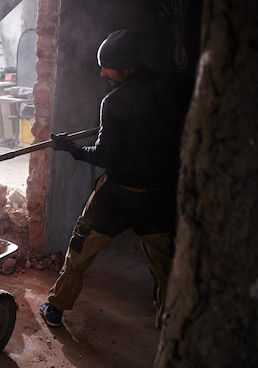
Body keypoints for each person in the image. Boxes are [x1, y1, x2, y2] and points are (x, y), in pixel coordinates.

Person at [39, 29, 194, 329]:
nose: (101, 73)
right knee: (166, 267)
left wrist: (71, 148)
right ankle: (170, 323)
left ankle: (56, 306)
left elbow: (104, 156)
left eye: (106, 66)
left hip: (117, 196)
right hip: (159, 195)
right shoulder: (174, 83)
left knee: (80, 248)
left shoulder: (114, 102)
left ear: (125, 65)